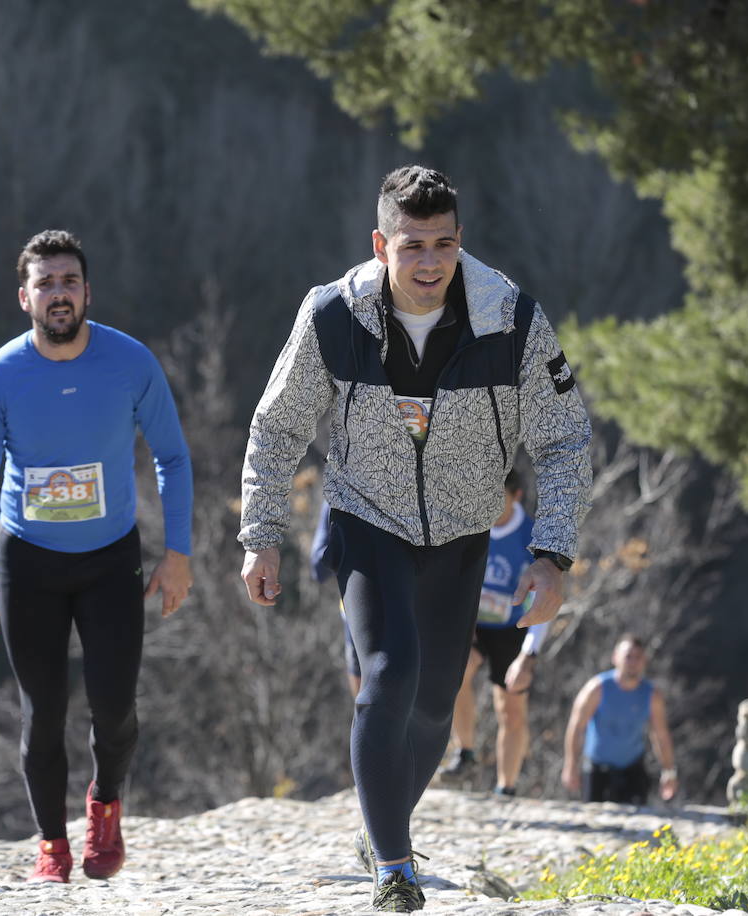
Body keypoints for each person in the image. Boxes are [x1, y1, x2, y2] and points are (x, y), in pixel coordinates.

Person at [238, 166, 592, 912]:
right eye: (412, 247)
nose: (430, 264)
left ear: (460, 243)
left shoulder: (511, 319)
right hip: (368, 523)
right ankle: (395, 869)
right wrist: (262, 534)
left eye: (444, 245)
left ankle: (381, 827)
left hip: (465, 533)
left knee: (436, 704)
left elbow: (564, 439)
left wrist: (551, 553)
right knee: (389, 673)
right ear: (380, 244)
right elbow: (276, 429)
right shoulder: (332, 316)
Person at [0, 230, 193, 883]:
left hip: (111, 560)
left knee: (114, 707)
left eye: (69, 282)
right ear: (24, 296)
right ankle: (52, 845)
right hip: (27, 561)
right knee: (44, 711)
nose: (58, 294)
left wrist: (179, 553)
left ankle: (106, 805)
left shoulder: (130, 362)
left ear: (87, 292)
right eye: (46, 283)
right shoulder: (0, 376)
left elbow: (171, 456)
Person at [438, 471, 547, 796]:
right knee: (456, 671)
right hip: (473, 622)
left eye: (496, 494)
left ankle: (506, 787)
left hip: (515, 627)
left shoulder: (531, 536)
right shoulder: (469, 523)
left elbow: (544, 604)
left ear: (515, 496)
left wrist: (529, 655)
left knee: (510, 706)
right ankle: (465, 751)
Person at [560, 634, 677, 805]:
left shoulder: (652, 695)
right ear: (615, 657)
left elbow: (660, 735)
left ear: (644, 661)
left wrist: (669, 772)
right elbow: (577, 727)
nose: (633, 662)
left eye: (638, 657)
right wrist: (571, 765)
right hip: (596, 770)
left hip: (632, 770)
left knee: (637, 825)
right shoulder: (597, 689)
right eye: (628, 656)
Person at [310, 499, 362, 698]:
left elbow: (318, 567)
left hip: (362, 610)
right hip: (355, 612)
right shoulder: (337, 496)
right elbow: (318, 567)